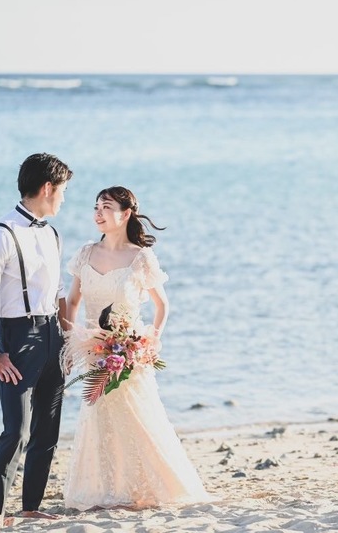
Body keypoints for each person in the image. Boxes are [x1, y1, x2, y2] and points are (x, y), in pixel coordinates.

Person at [61, 186, 210, 510]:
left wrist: (148, 342)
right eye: (96, 207)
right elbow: (72, 302)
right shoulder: (86, 253)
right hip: (93, 351)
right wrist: (72, 343)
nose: (98, 212)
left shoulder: (140, 257)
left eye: (106, 206)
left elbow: (162, 306)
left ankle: (144, 488)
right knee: (98, 419)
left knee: (139, 419)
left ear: (126, 213)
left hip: (129, 353)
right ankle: (107, 491)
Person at [0, 153, 73, 527]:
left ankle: (30, 506)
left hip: (52, 336)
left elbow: (59, 290)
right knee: (16, 430)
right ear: (47, 188)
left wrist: (67, 340)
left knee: (47, 431)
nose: (63, 199)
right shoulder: (0, 234)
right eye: (62, 191)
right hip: (17, 336)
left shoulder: (52, 232)